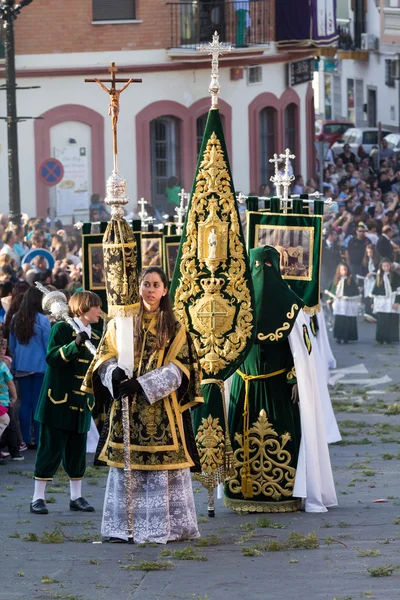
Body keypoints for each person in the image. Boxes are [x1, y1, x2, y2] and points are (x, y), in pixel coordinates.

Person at [92, 266, 203, 543]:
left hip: (161, 411)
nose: (150, 290)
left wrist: (143, 383)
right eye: (145, 284)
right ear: (138, 287)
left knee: (161, 473)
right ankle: (124, 527)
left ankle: (160, 528)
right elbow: (103, 357)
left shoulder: (175, 327)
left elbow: (182, 368)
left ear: (165, 290)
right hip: (126, 408)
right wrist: (113, 372)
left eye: (156, 285)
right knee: (126, 469)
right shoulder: (121, 322)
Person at [225, 246, 337, 514]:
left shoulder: (293, 307)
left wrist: (296, 377)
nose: (262, 272)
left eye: (267, 266)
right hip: (243, 386)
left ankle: (285, 492)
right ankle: (243, 493)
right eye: (257, 266)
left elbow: (303, 352)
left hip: (279, 388)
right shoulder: (236, 304)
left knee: (283, 437)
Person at [30, 291, 103, 515]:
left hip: (82, 403)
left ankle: (76, 496)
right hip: (57, 401)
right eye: (96, 307)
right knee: (49, 450)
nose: (100, 311)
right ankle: (38, 497)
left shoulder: (98, 335)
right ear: (83, 308)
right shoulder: (61, 329)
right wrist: (74, 345)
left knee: (76, 452)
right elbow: (52, 358)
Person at [9, 287, 51, 449]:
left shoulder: (15, 318)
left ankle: (25, 438)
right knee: (38, 403)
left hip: (21, 365)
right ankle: (39, 438)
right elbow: (47, 345)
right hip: (40, 365)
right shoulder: (42, 319)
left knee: (25, 403)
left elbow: (12, 345)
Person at [326, 263, 360, 344]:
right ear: (339, 271)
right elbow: (332, 290)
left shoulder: (350, 280)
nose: (344, 271)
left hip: (348, 303)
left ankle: (346, 337)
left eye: (345, 269)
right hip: (339, 303)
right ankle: (338, 336)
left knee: (347, 320)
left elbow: (355, 291)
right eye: (342, 270)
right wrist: (330, 299)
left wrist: (351, 297)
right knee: (339, 320)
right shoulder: (336, 279)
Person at [371, 258, 400, 344]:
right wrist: (372, 302)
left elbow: (399, 290)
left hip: (391, 300)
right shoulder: (379, 276)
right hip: (381, 301)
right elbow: (375, 290)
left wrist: (397, 302)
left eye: (387, 265)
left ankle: (389, 338)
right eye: (384, 266)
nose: (386, 267)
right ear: (381, 266)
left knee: (390, 320)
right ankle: (380, 338)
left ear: (390, 266)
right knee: (381, 320)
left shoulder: (395, 275)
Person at [361, 244, 381, 322]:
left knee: (374, 297)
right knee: (367, 297)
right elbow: (362, 271)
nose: (369, 254)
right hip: (367, 282)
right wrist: (360, 284)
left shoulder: (378, 260)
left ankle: (373, 316)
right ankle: (367, 315)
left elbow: (380, 270)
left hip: (375, 281)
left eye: (371, 252)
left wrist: (372, 273)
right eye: (368, 252)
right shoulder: (365, 260)